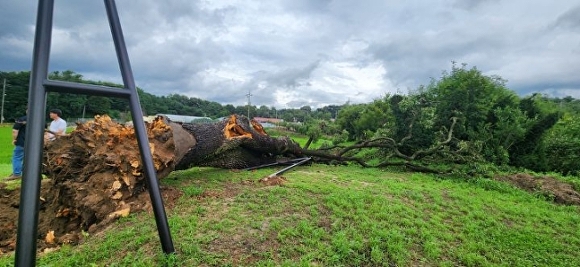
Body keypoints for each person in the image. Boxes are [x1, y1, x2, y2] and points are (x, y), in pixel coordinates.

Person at [6, 110, 27, 180]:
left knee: (17, 157)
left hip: (22, 142)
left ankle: (17, 174)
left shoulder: (21, 119)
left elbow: (15, 130)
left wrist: (14, 139)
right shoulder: (40, 120)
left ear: (27, 110)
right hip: (35, 145)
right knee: (29, 159)